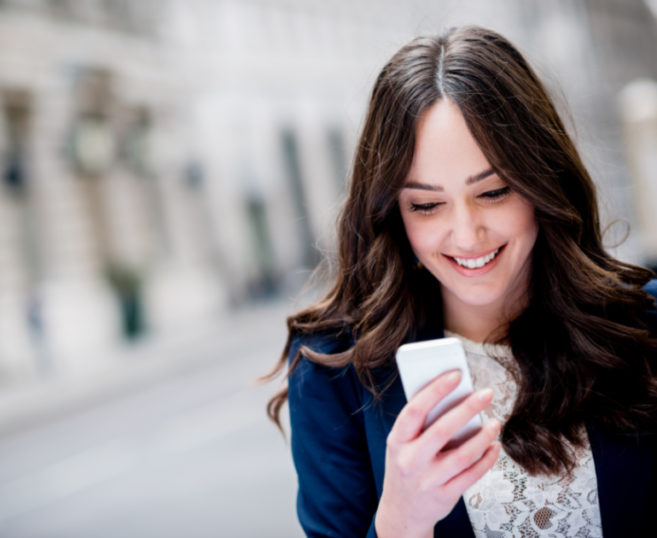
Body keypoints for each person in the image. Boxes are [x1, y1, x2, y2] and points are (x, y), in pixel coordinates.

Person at [265, 26, 657, 538]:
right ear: (392, 213)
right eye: (426, 205)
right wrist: (402, 520)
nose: (467, 235)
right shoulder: (331, 373)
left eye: (493, 192)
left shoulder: (642, 328)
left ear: (543, 183)